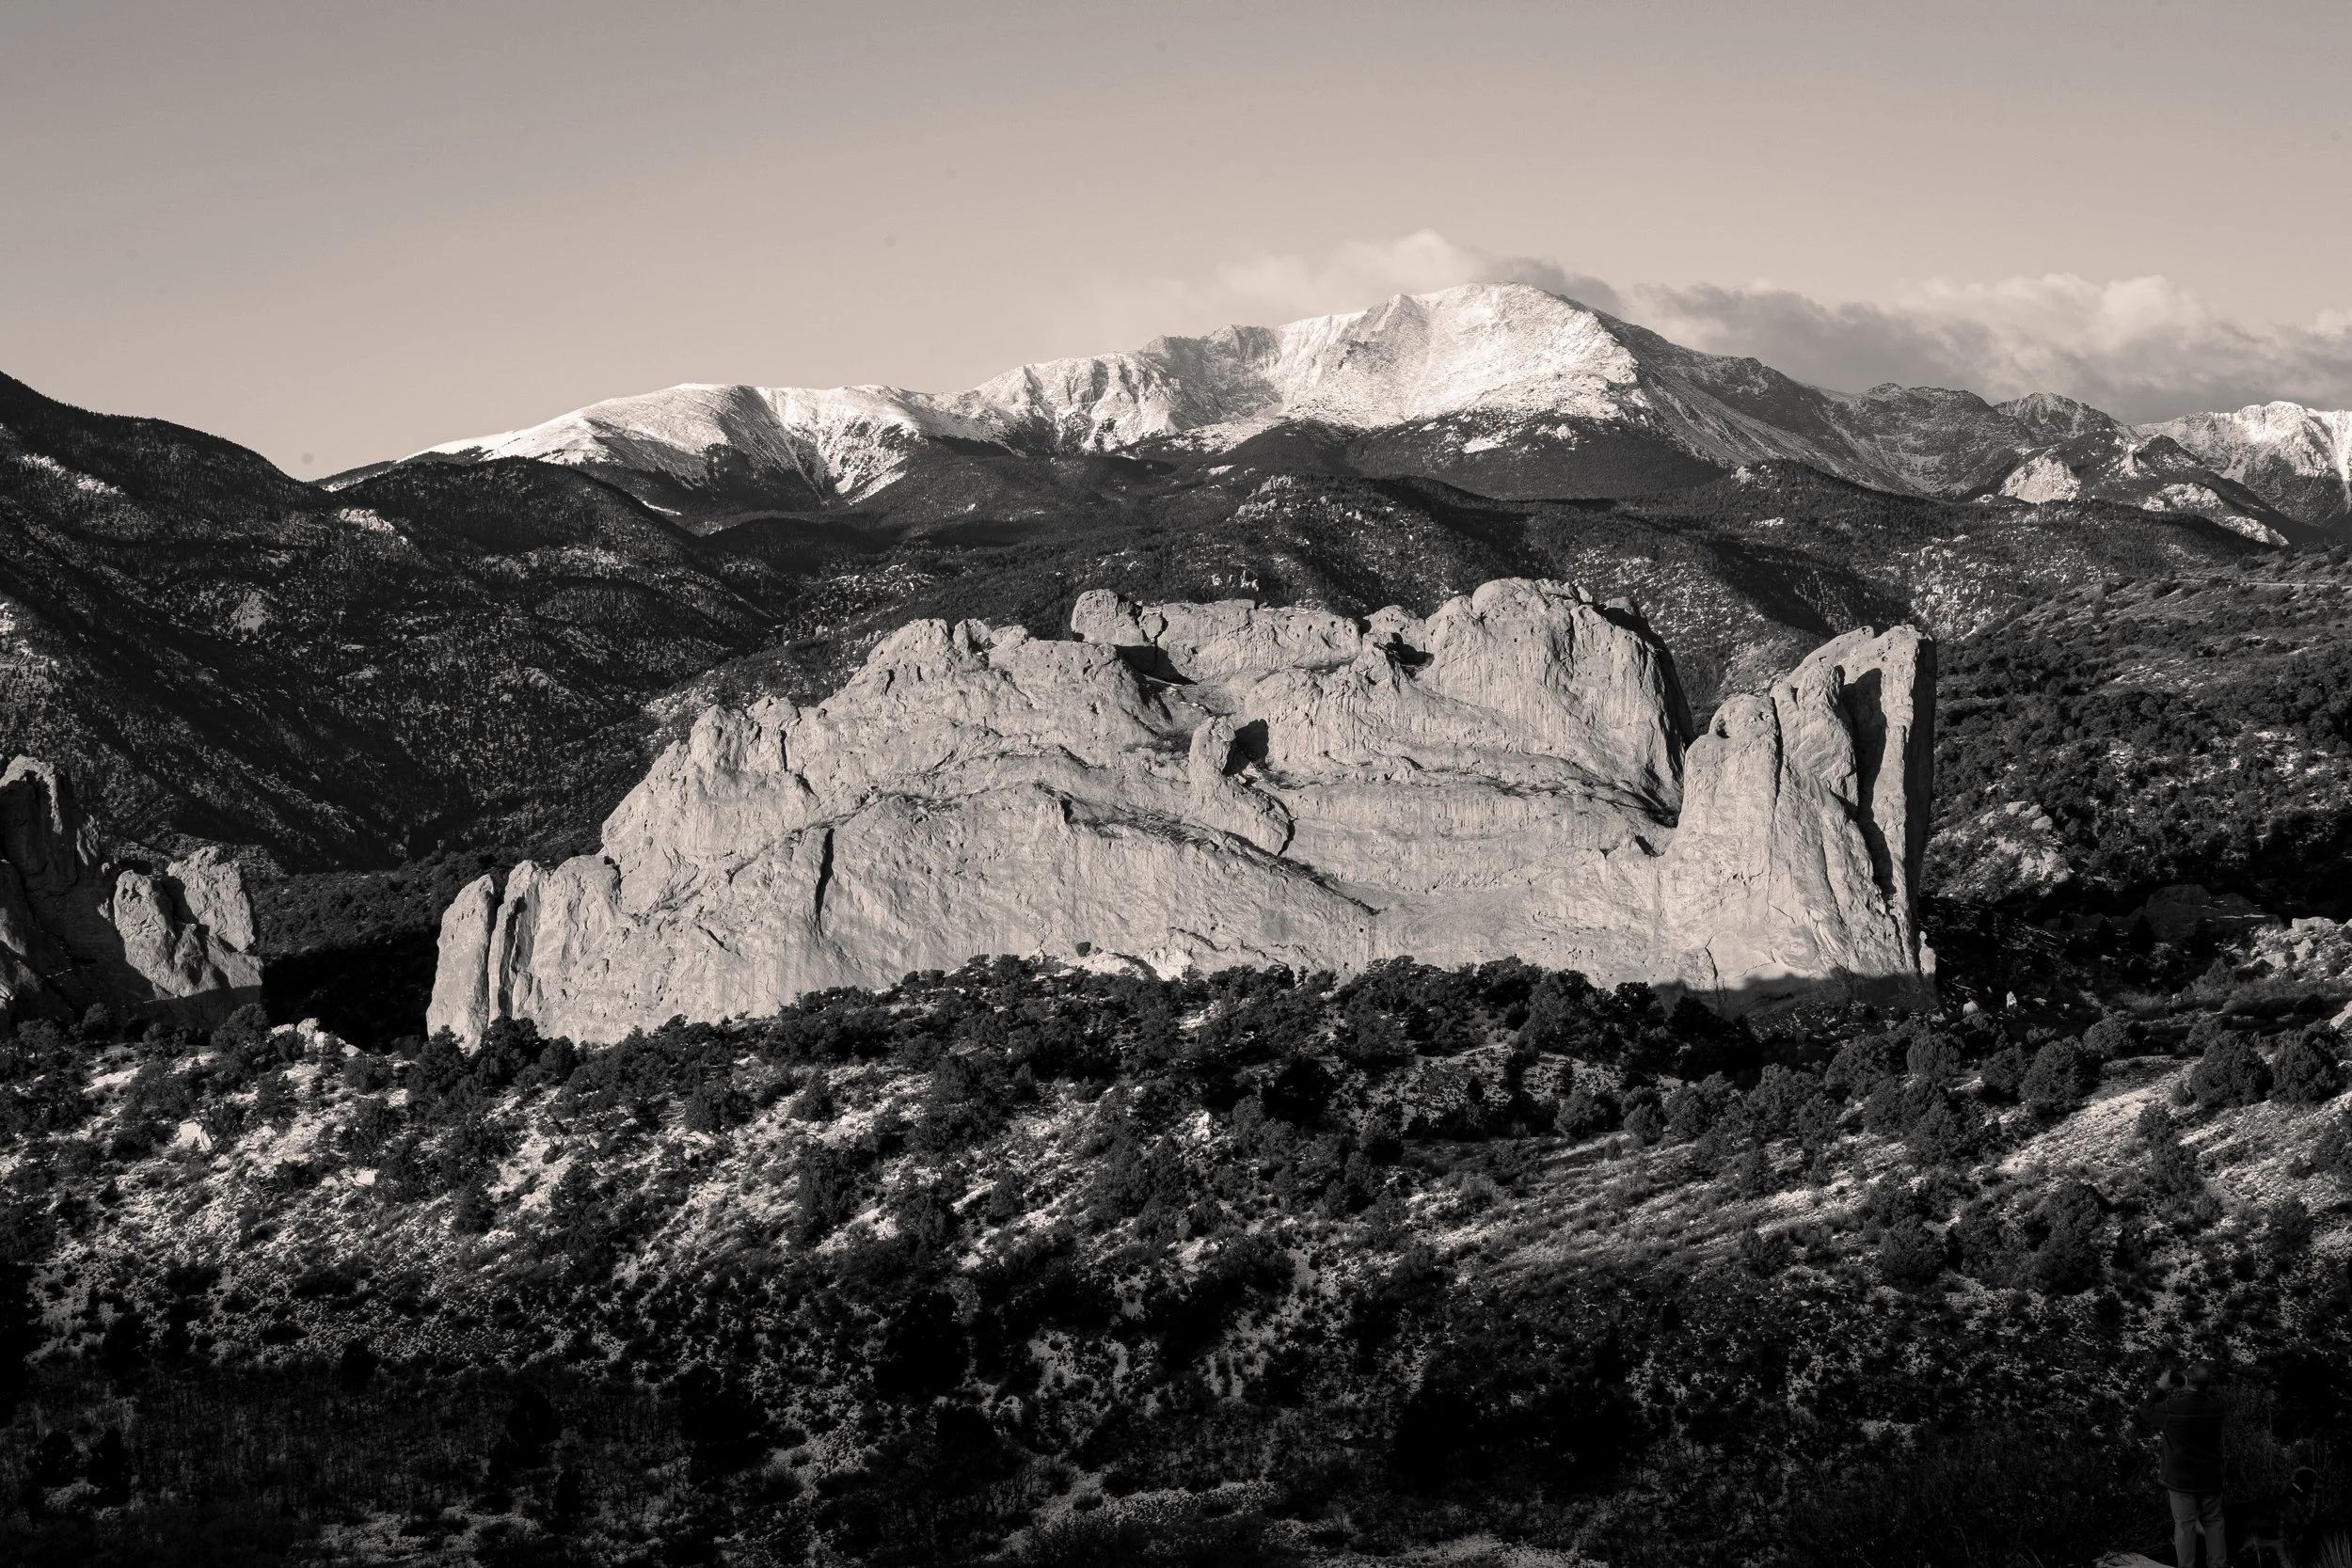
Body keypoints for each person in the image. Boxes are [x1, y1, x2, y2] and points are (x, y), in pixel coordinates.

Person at [2143, 1361, 2228, 1567]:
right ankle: (2218, 1564)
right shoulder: (2218, 1407)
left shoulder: (2173, 1408)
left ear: (2188, 1380)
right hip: (2211, 1478)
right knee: (2214, 1522)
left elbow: (2145, 1411)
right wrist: (2193, 1386)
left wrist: (2162, 1388)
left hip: (2182, 1480)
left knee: (2184, 1526)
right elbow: (2212, 1398)